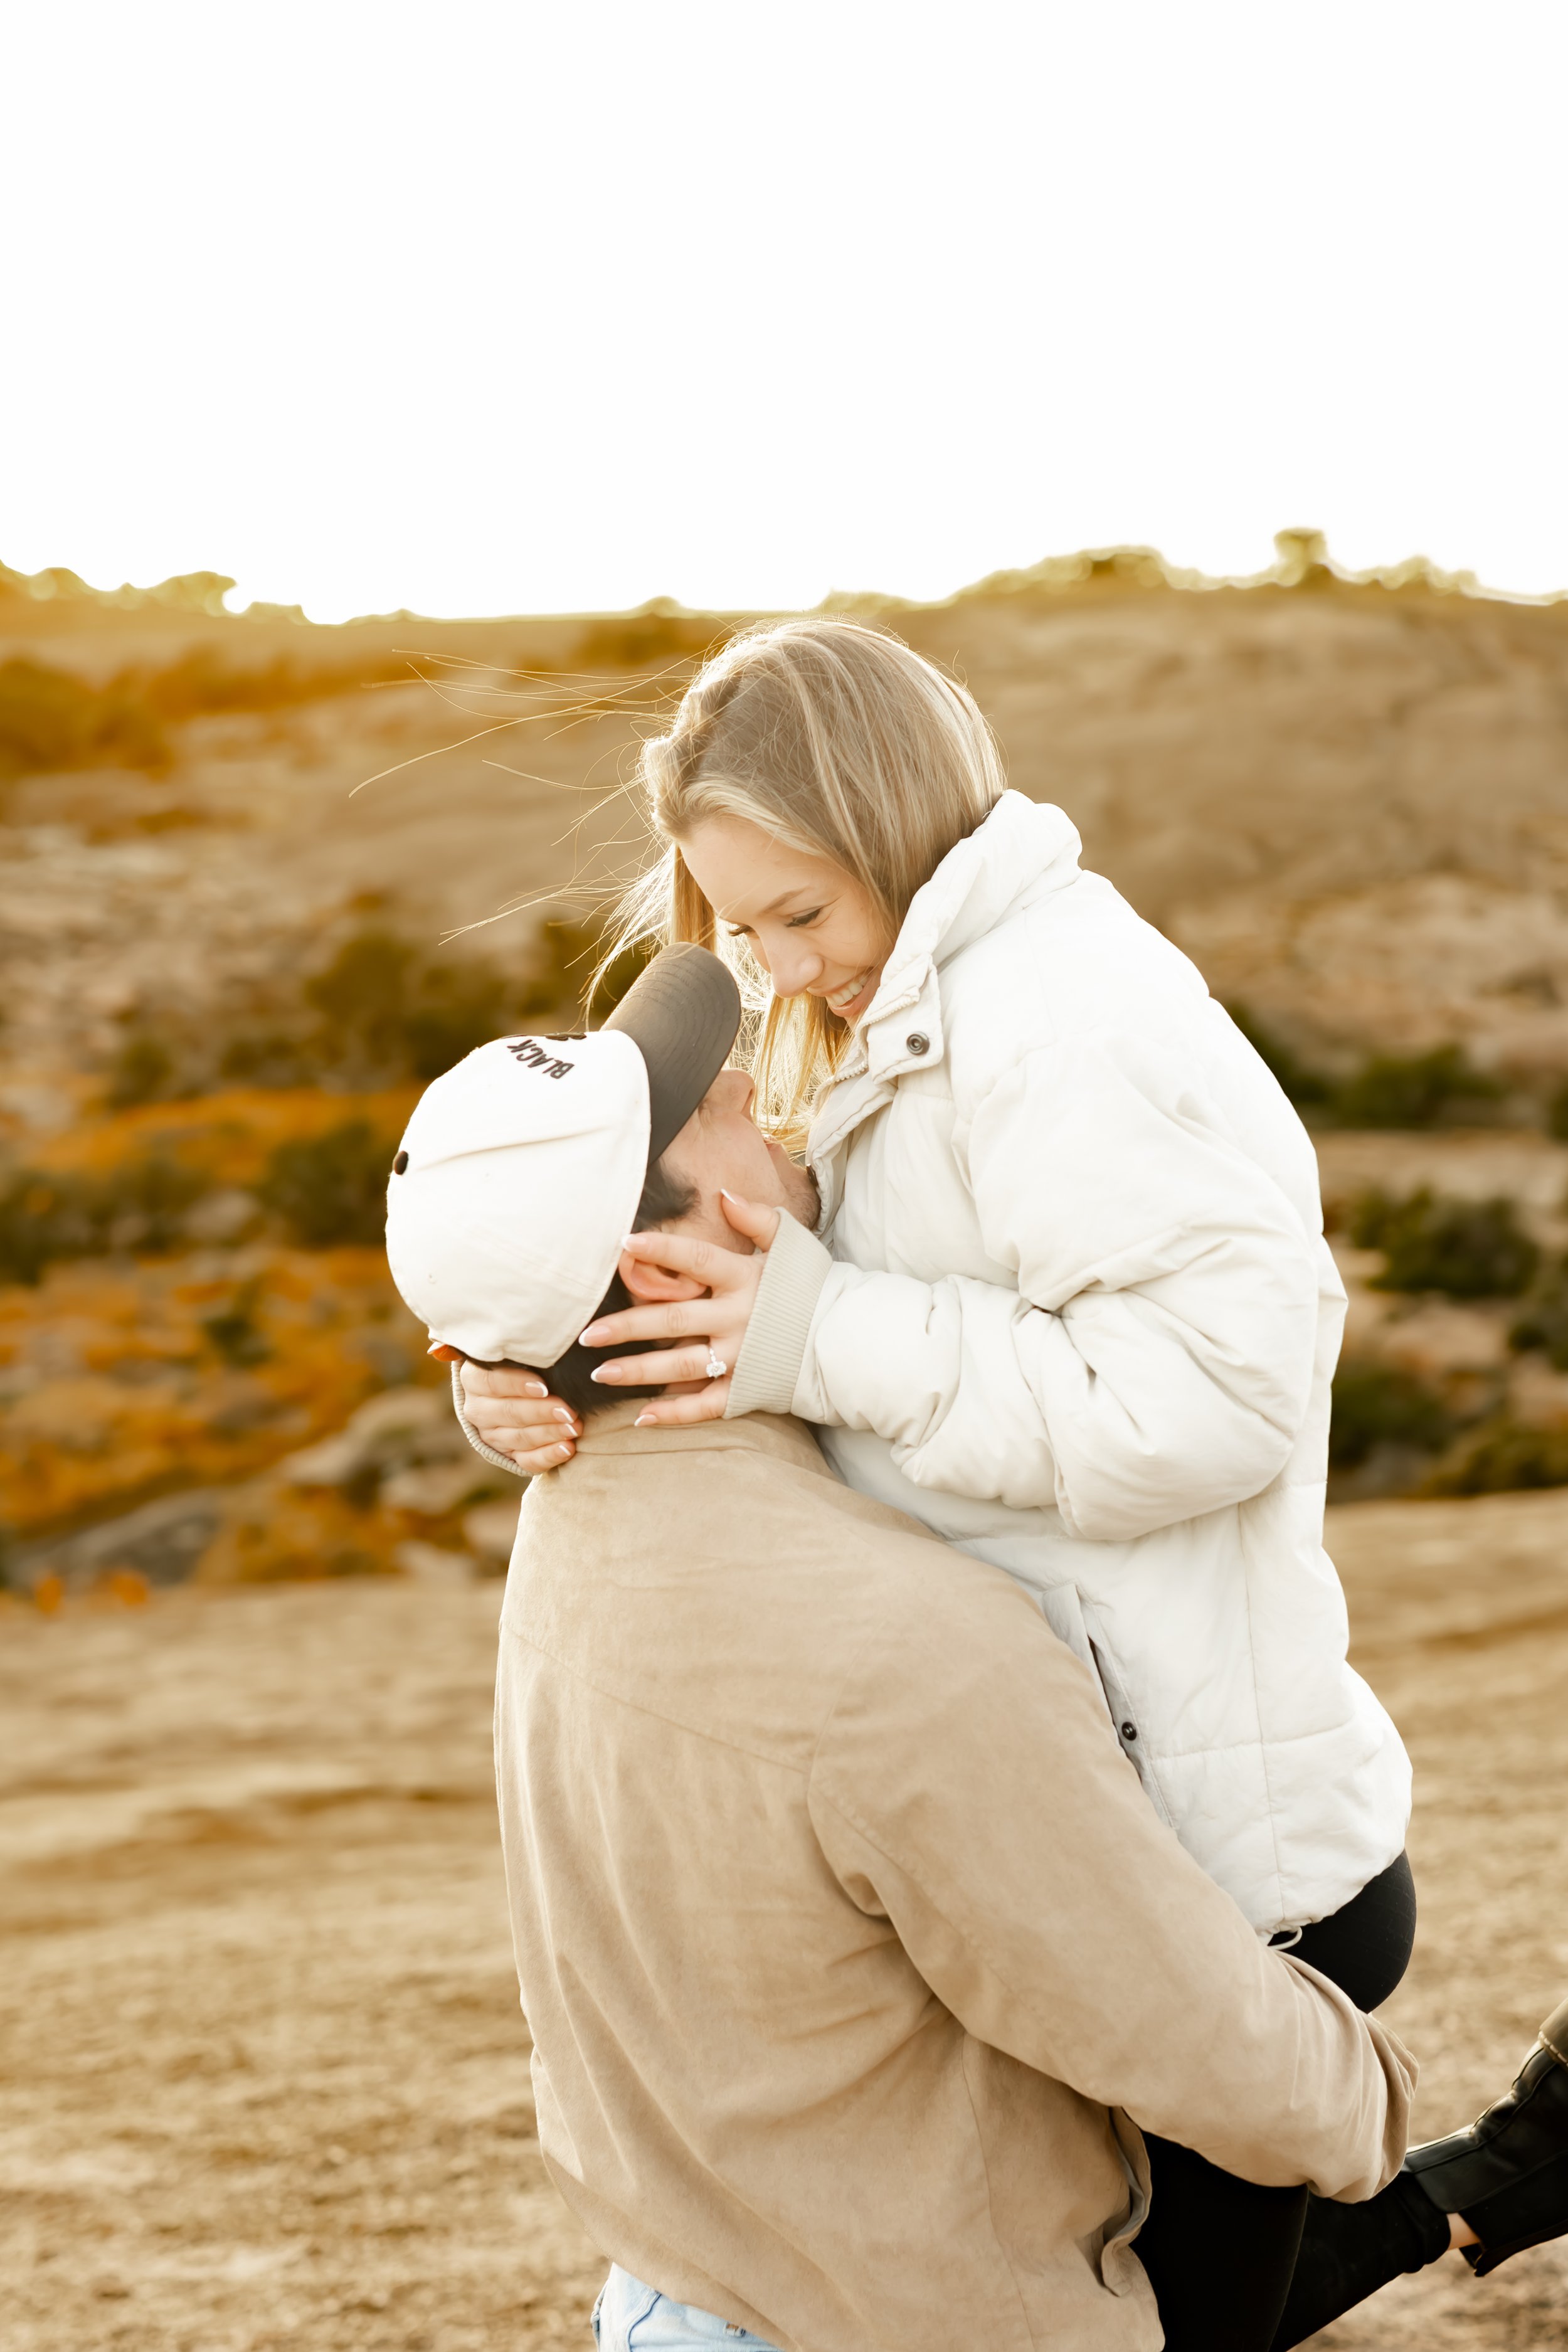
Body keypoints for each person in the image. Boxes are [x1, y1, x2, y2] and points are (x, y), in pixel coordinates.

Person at [388, 945, 1568, 2352]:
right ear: (662, 1258)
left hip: (683, 2287)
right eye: (710, 1106)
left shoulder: (568, 1514)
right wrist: (1369, 2092)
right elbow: (1220, 2065)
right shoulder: (895, 1649)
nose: (766, 1102)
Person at [456, 618, 1416, 2343]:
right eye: (734, 926)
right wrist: (521, 1366)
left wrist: (817, 1337)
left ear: (900, 827)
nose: (768, 973)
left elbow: (1211, 1396)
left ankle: (1478, 2187)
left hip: (1208, 1867)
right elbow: (681, 1265)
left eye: (797, 913)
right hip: (1045, 1830)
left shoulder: (1066, 1022)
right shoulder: (876, 996)